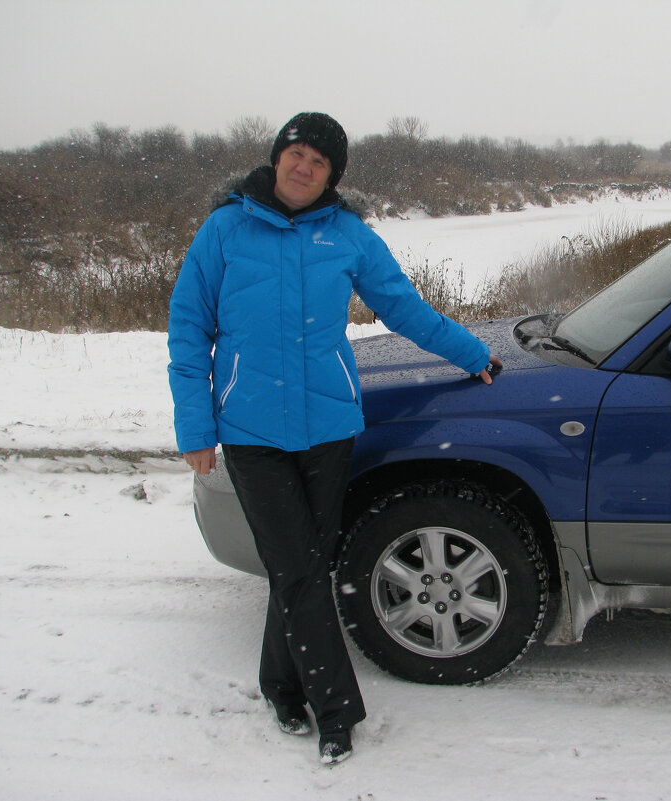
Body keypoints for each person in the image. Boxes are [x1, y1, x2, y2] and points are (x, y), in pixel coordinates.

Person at [167, 112, 502, 765]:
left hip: (328, 429)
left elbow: (404, 307)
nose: (304, 166)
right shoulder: (225, 230)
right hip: (250, 429)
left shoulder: (348, 236)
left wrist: (471, 353)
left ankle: (279, 682)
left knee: (303, 568)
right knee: (296, 566)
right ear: (276, 158)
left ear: (332, 177)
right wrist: (195, 426)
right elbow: (188, 332)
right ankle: (336, 709)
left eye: (319, 161)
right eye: (296, 153)